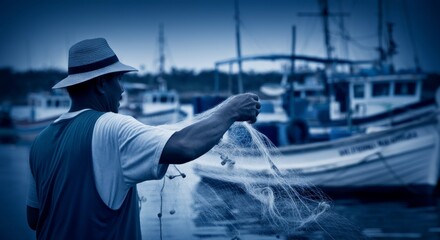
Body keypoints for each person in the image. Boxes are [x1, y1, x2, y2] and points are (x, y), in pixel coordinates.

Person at [26, 38, 260, 239]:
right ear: (100, 84)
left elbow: (35, 218)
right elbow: (184, 146)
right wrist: (231, 110)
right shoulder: (112, 127)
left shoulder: (41, 142)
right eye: (119, 79)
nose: (122, 90)